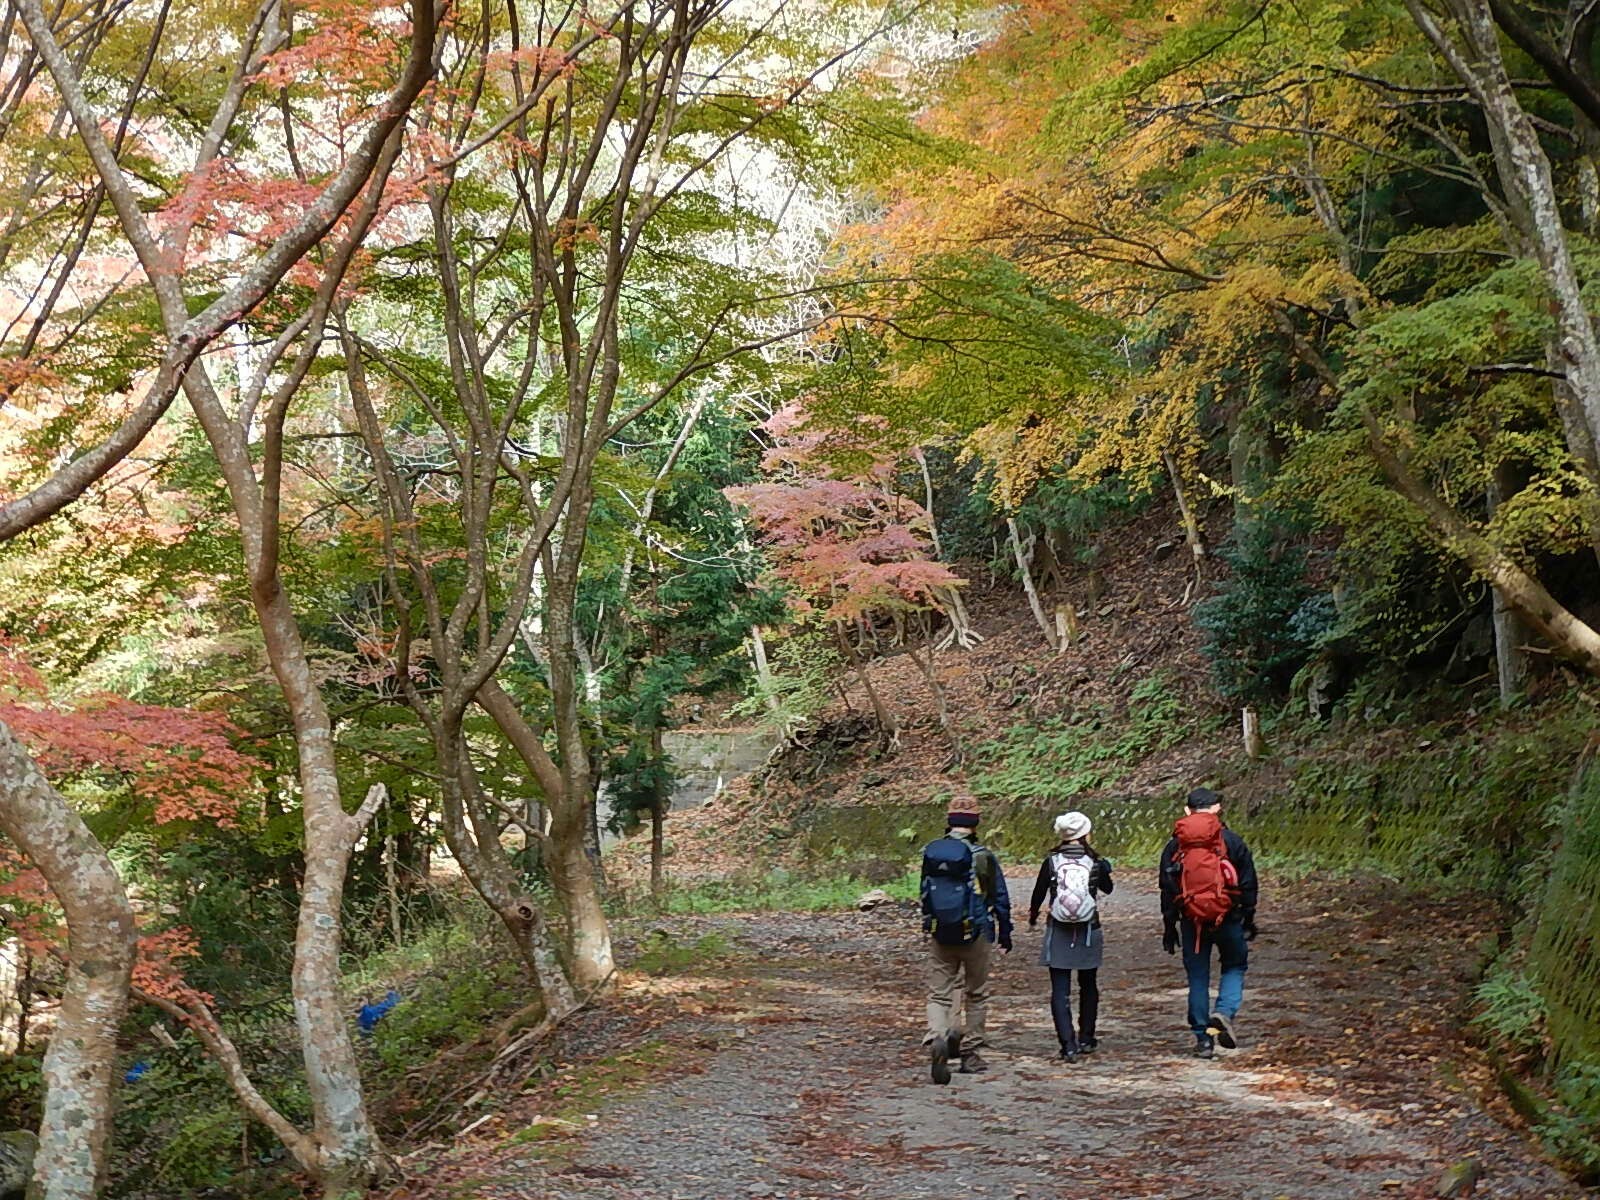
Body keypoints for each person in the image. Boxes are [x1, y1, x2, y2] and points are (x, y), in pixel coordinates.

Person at [1159, 786, 1258, 1058]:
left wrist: (1169, 927)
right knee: (1235, 966)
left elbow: (1167, 888)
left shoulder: (1175, 845)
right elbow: (1248, 884)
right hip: (1229, 917)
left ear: (1187, 811)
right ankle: (1224, 1013)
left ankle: (1203, 1039)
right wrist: (1248, 917)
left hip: (1192, 921)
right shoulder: (1232, 841)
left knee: (1198, 977)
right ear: (1217, 809)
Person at [920, 799, 1012, 1084]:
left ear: (949, 822)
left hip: (940, 930)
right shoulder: (983, 855)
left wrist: (928, 923)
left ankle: (938, 1036)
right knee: (976, 992)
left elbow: (924, 891)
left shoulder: (932, 852)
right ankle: (970, 1053)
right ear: (975, 824)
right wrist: (1005, 930)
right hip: (976, 931)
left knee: (939, 993)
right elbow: (998, 896)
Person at [1028, 810, 1112, 1062]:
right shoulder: (1094, 861)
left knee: (1060, 989)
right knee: (1088, 984)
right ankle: (1087, 1037)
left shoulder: (1051, 861)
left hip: (1058, 928)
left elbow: (1039, 892)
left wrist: (1033, 915)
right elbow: (1107, 888)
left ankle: (1068, 1045)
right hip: (1088, 928)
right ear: (1086, 833)